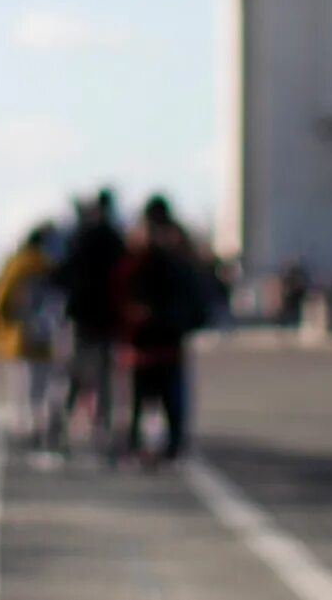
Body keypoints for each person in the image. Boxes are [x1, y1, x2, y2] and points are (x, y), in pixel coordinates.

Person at [114, 197, 214, 464]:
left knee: (166, 401)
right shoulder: (139, 258)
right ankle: (144, 446)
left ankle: (167, 445)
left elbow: (193, 296)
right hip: (148, 343)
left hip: (163, 341)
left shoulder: (174, 257)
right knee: (144, 403)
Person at [0, 222, 66, 455]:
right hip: (46, 334)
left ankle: (28, 429)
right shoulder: (51, 267)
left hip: (18, 334)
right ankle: (42, 427)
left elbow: (0, 298)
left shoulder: (17, 265)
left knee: (23, 387)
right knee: (43, 384)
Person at [57, 189, 125, 454]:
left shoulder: (81, 239)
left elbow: (62, 275)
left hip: (82, 317)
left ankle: (60, 427)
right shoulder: (115, 239)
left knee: (75, 376)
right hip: (107, 319)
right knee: (104, 379)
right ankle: (102, 430)